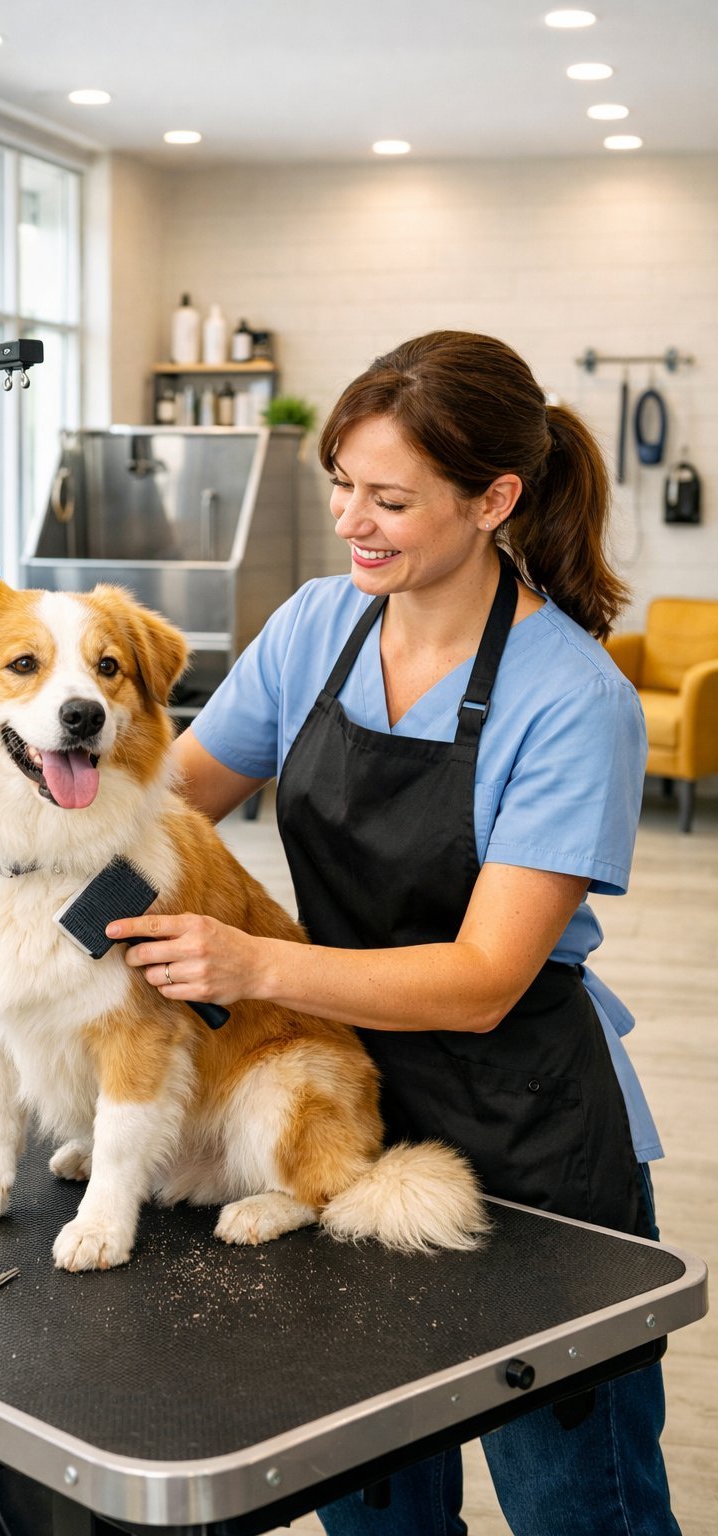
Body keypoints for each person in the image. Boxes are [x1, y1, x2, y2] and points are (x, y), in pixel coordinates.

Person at [106, 331, 680, 1535]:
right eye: (340, 485)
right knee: (371, 1497)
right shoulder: (319, 624)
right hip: (338, 1105)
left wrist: (251, 962)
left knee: (578, 1501)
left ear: (494, 500)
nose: (349, 520)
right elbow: (166, 810)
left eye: (389, 498)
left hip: (521, 1122)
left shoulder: (572, 700)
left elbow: (481, 980)